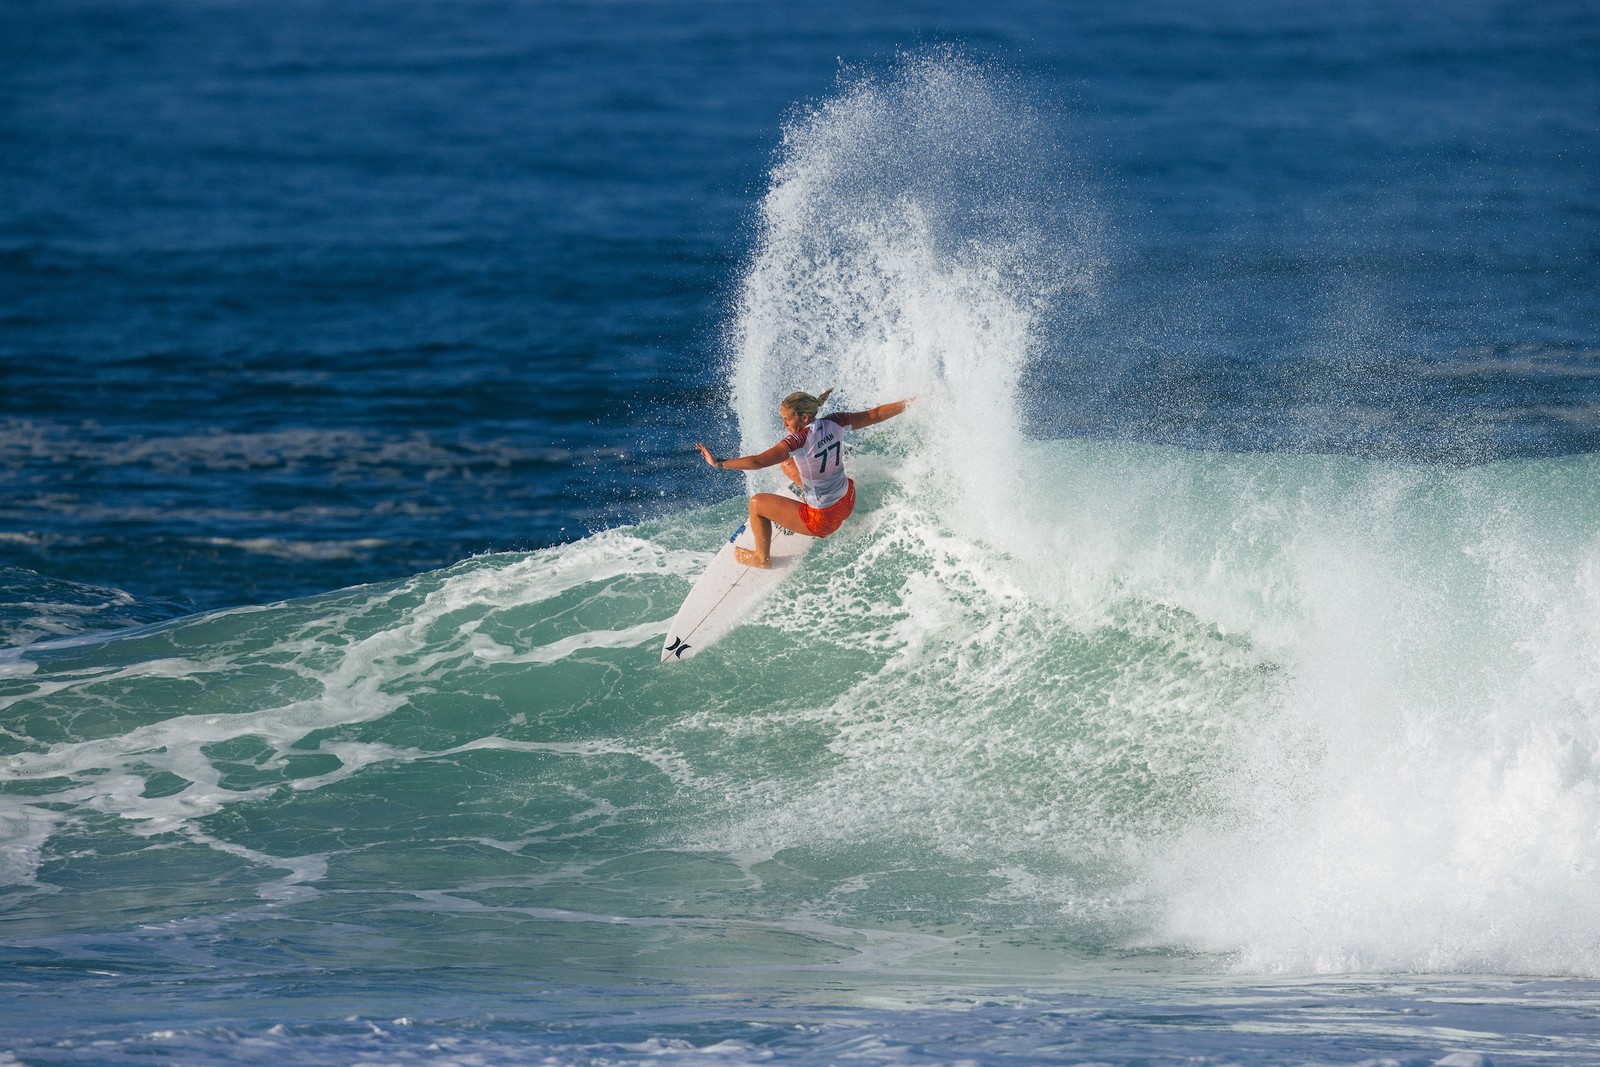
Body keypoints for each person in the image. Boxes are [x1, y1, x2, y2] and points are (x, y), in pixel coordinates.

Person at [695, 388, 913, 568]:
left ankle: (761, 558)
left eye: (787, 420)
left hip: (822, 520)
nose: (784, 425)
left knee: (756, 504)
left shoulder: (797, 440)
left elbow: (758, 462)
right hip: (848, 500)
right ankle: (809, 494)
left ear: (804, 418)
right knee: (787, 464)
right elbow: (875, 414)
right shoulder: (836, 421)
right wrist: (909, 402)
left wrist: (719, 463)